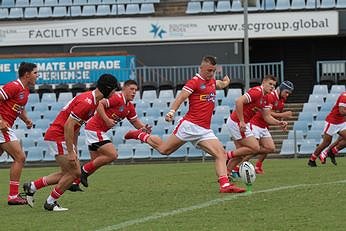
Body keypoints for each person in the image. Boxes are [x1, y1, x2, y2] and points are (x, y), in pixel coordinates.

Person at [124, 55, 246, 193]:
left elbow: (218, 83)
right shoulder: (194, 82)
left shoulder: (211, 80)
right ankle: (140, 135)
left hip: (204, 130)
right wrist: (172, 111)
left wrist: (225, 83)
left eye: (213, 71)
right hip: (189, 126)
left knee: (221, 154)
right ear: (201, 68)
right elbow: (181, 97)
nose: (211, 73)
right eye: (209, 70)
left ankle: (224, 186)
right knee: (164, 150)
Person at [23, 74, 119, 211]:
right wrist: (70, 152)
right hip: (58, 135)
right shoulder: (87, 102)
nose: (115, 93)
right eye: (114, 89)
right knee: (75, 173)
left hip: (60, 136)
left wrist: (73, 149)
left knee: (67, 173)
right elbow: (69, 125)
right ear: (108, 88)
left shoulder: (94, 102)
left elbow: (76, 127)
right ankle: (50, 202)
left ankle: (32, 186)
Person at [77, 80, 150, 188]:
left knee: (95, 163)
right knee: (112, 155)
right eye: (131, 89)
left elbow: (135, 122)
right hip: (94, 129)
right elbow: (99, 104)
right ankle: (82, 170)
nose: (134, 92)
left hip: (96, 130)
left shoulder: (129, 107)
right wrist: (106, 120)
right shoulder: (117, 98)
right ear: (124, 89)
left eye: (136, 90)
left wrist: (144, 128)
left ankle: (74, 183)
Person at [225, 75, 288, 175]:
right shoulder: (257, 92)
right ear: (263, 82)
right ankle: (225, 156)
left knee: (242, 153)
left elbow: (267, 117)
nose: (272, 87)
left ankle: (226, 174)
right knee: (254, 147)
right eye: (270, 84)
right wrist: (241, 121)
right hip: (236, 122)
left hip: (243, 123)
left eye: (274, 85)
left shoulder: (267, 97)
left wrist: (279, 122)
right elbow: (238, 101)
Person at [0, 62, 38, 205]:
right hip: (2, 127)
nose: (37, 76)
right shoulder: (14, 86)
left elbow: (18, 108)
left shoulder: (25, 90)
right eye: (35, 73)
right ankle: (13, 196)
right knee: (20, 157)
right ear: (27, 74)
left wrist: (26, 119)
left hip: (5, 126)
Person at [241, 80, 294, 174]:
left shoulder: (282, 100)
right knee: (253, 148)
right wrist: (283, 114)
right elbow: (267, 113)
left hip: (264, 125)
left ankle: (257, 166)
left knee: (270, 148)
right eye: (286, 92)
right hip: (255, 123)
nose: (287, 95)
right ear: (281, 89)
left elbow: (275, 113)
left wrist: (281, 122)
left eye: (289, 93)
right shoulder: (270, 96)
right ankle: (239, 164)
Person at [308, 91, 346, 167]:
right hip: (332, 122)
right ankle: (312, 160)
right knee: (326, 143)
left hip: (341, 122)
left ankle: (332, 152)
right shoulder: (344, 96)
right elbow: (342, 111)